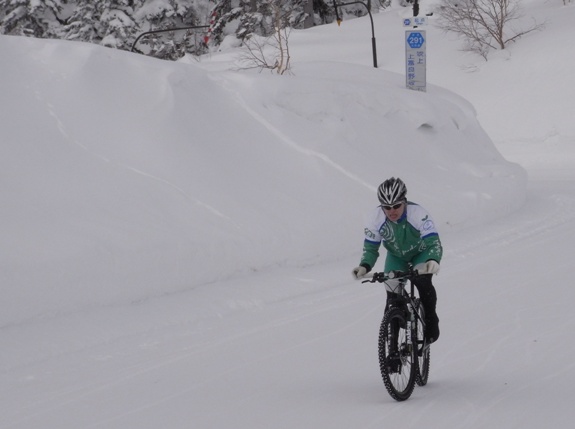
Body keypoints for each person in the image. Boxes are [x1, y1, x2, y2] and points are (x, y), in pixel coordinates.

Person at [352, 177, 443, 343]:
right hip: (396, 256)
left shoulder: (419, 214)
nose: (392, 211)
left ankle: (430, 319)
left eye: (396, 206)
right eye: (387, 207)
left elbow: (433, 243)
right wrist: (364, 266)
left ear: (404, 202)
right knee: (392, 296)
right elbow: (371, 248)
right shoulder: (375, 218)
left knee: (422, 281)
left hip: (421, 253)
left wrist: (433, 260)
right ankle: (393, 343)